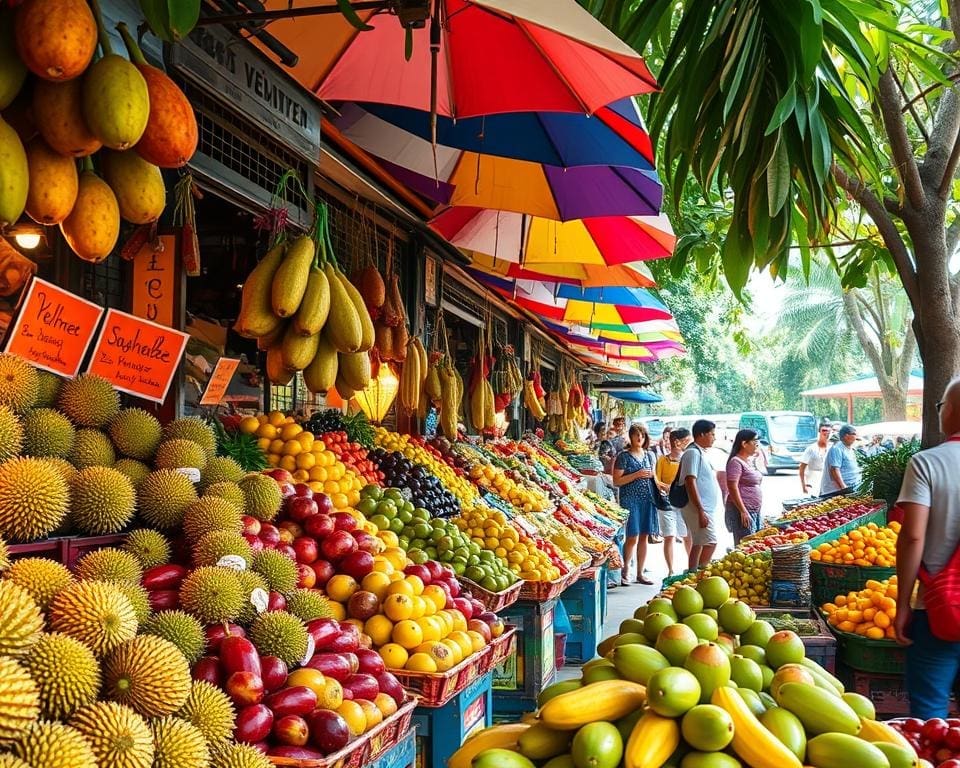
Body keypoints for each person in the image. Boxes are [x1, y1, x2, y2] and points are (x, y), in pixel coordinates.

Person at [894, 378, 960, 718]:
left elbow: (912, 537)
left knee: (931, 714)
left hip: (937, 609)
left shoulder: (927, 463)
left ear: (949, 411)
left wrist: (902, 602)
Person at [612, 424, 660, 585]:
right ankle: (626, 570)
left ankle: (640, 572)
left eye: (642, 435)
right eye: (636, 435)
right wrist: (636, 475)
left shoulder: (650, 455)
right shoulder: (623, 456)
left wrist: (662, 487)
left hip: (647, 498)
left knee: (644, 536)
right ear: (631, 437)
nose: (639, 438)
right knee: (632, 536)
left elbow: (654, 477)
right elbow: (617, 481)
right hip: (630, 499)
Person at [679, 420, 722, 570]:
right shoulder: (692, 453)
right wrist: (700, 510)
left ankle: (691, 573)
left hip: (703, 507)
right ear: (702, 434)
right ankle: (700, 573)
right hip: (697, 507)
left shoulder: (699, 452)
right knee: (711, 542)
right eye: (712, 434)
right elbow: (690, 481)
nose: (714, 438)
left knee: (698, 542)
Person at [655, 427, 692, 576]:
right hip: (666, 503)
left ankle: (692, 565)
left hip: (683, 503)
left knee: (687, 535)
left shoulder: (688, 459)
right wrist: (668, 488)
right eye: (686, 441)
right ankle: (670, 570)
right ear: (677, 442)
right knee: (669, 536)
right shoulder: (663, 460)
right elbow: (657, 480)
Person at [725, 429, 764, 545]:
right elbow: (732, 487)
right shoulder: (735, 462)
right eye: (754, 442)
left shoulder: (748, 461)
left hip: (753, 509)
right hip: (743, 510)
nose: (757, 445)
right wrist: (743, 511)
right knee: (746, 544)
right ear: (744, 444)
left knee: (755, 543)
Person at [821, 424, 862, 494]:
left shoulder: (850, 448)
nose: (856, 437)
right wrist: (844, 488)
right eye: (854, 434)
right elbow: (834, 470)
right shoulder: (837, 448)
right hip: (837, 491)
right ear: (846, 436)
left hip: (849, 488)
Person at [799, 423, 832, 496]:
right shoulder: (811, 449)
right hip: (813, 482)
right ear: (819, 432)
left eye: (828, 431)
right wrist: (803, 485)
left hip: (827, 483)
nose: (826, 433)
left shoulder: (832, 449)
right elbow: (802, 468)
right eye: (824, 430)